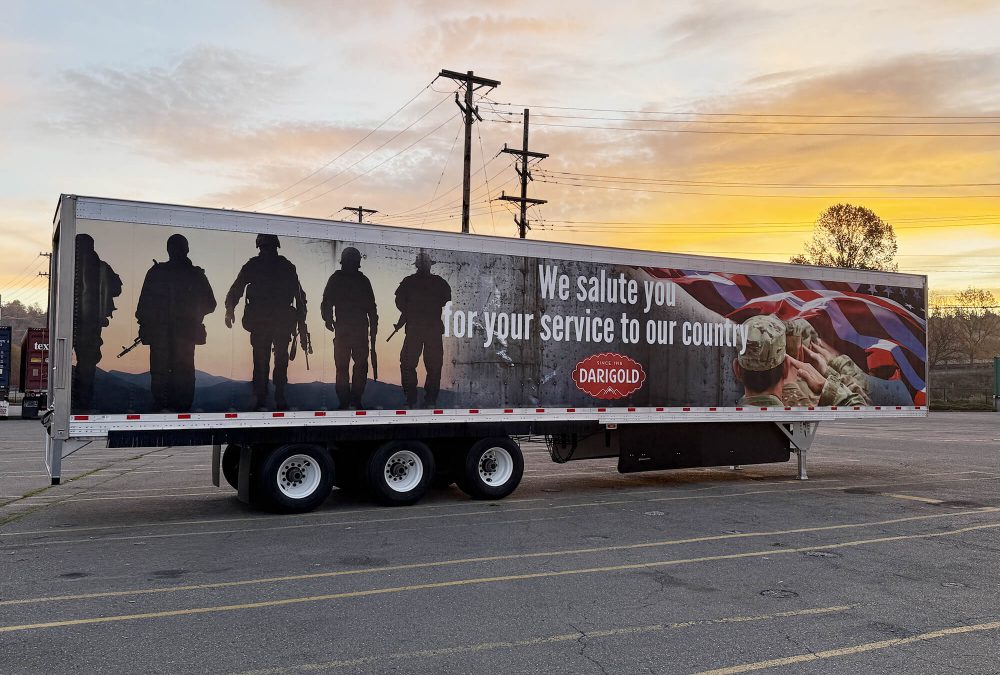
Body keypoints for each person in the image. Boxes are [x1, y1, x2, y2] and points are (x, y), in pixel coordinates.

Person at [135, 234, 216, 412]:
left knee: (162, 372)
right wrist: (192, 314)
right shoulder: (195, 275)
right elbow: (211, 304)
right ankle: (179, 408)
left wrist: (148, 324)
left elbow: (142, 307)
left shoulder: (156, 272)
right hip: (183, 334)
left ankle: (165, 407)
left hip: (166, 334)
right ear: (186, 249)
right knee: (182, 372)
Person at [224, 234, 304, 411]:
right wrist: (229, 310)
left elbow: (299, 297)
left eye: (268, 248)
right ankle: (267, 396)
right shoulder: (282, 266)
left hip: (272, 320)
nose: (267, 251)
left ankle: (272, 395)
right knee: (267, 360)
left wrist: (230, 310)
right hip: (269, 321)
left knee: (271, 359)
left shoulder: (265, 265)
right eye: (266, 248)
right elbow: (236, 289)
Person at [734, 314, 865, 407]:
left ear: (737, 370)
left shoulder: (722, 423)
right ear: (786, 367)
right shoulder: (806, 413)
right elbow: (860, 410)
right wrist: (826, 382)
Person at [320, 247, 378, 410]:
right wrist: (373, 328)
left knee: (345, 367)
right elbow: (372, 309)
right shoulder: (362, 280)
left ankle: (348, 401)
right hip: (354, 330)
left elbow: (326, 302)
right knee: (352, 367)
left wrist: (328, 320)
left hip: (347, 329)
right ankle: (351, 400)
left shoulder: (338, 279)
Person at [393, 250, 451, 408]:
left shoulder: (408, 282)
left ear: (417, 265)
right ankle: (429, 400)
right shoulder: (439, 282)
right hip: (430, 329)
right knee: (432, 367)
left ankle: (412, 399)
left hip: (415, 330)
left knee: (409, 364)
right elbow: (445, 299)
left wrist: (410, 312)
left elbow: (400, 304)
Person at [72, 234, 122, 412]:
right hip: (92, 323)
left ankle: (76, 400)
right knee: (87, 363)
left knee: (73, 362)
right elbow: (117, 287)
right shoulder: (102, 267)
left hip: (70, 322)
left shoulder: (70, 265)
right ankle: (83, 402)